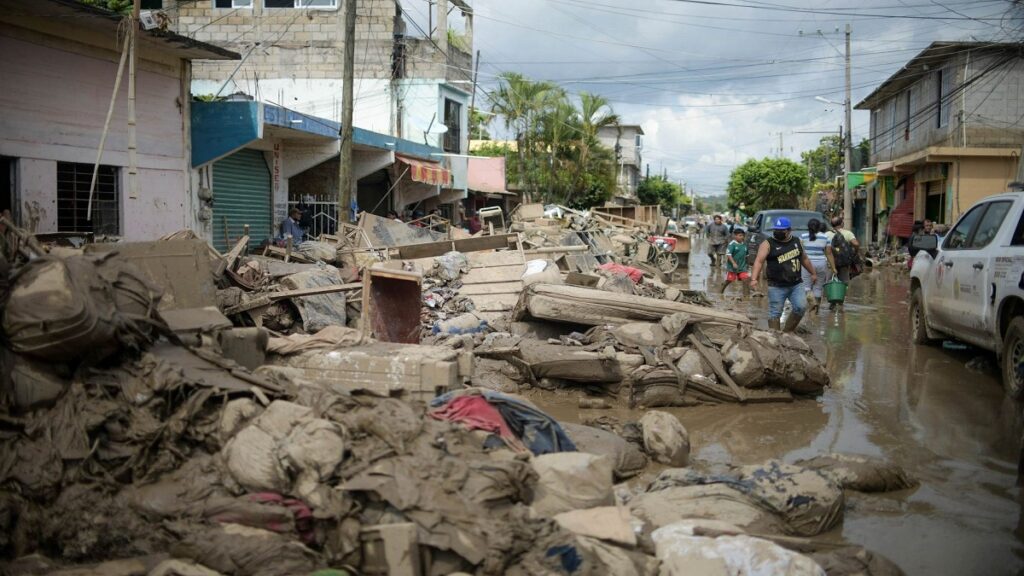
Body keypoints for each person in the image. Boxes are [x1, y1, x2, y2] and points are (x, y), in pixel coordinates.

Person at [751, 217, 817, 332]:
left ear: (789, 230)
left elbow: (805, 259)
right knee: (775, 313)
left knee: (801, 307)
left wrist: (813, 273)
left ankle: (787, 333)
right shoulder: (767, 244)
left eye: (782, 230)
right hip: (776, 285)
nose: (778, 232)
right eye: (776, 230)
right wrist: (754, 279)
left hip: (796, 284)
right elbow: (759, 261)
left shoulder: (797, 242)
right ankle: (775, 337)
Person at [799, 218, 831, 314]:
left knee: (806, 286)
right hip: (821, 263)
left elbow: (800, 252)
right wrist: (833, 267)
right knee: (818, 287)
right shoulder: (825, 237)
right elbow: (829, 253)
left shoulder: (802, 237)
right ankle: (816, 311)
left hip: (807, 263)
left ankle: (810, 306)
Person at [721, 228, 751, 297]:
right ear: (735, 236)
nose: (742, 237)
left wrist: (748, 265)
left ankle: (746, 296)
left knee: (745, 280)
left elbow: (747, 256)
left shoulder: (745, 245)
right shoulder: (732, 244)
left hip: (742, 267)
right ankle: (720, 292)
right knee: (729, 280)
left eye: (743, 236)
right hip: (732, 267)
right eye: (740, 235)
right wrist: (733, 263)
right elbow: (728, 254)